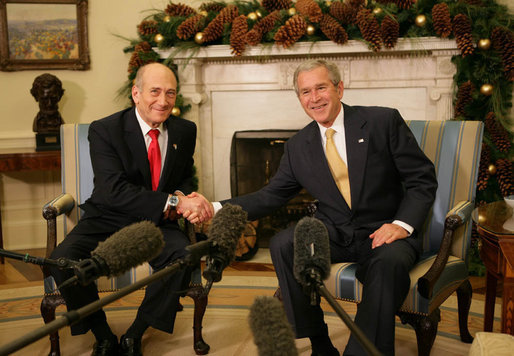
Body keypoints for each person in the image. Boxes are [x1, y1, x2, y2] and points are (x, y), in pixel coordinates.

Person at [193, 59, 438, 355]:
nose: (314, 98)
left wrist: (401, 225)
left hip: (385, 232)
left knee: (388, 265)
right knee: (285, 243)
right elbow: (270, 196)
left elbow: (421, 179)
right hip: (334, 232)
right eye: (305, 92)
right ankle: (319, 341)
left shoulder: (382, 122)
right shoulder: (298, 146)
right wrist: (215, 206)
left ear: (339, 89)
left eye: (321, 87)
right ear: (299, 99)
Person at [49, 62, 213, 356]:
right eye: (155, 91)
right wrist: (175, 202)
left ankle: (136, 333)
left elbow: (183, 176)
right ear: (136, 94)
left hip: (157, 222)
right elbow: (113, 190)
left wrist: (181, 193)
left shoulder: (184, 131)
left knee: (183, 256)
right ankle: (102, 333)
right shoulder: (106, 130)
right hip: (107, 216)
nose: (163, 101)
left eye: (170, 93)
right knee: (63, 260)